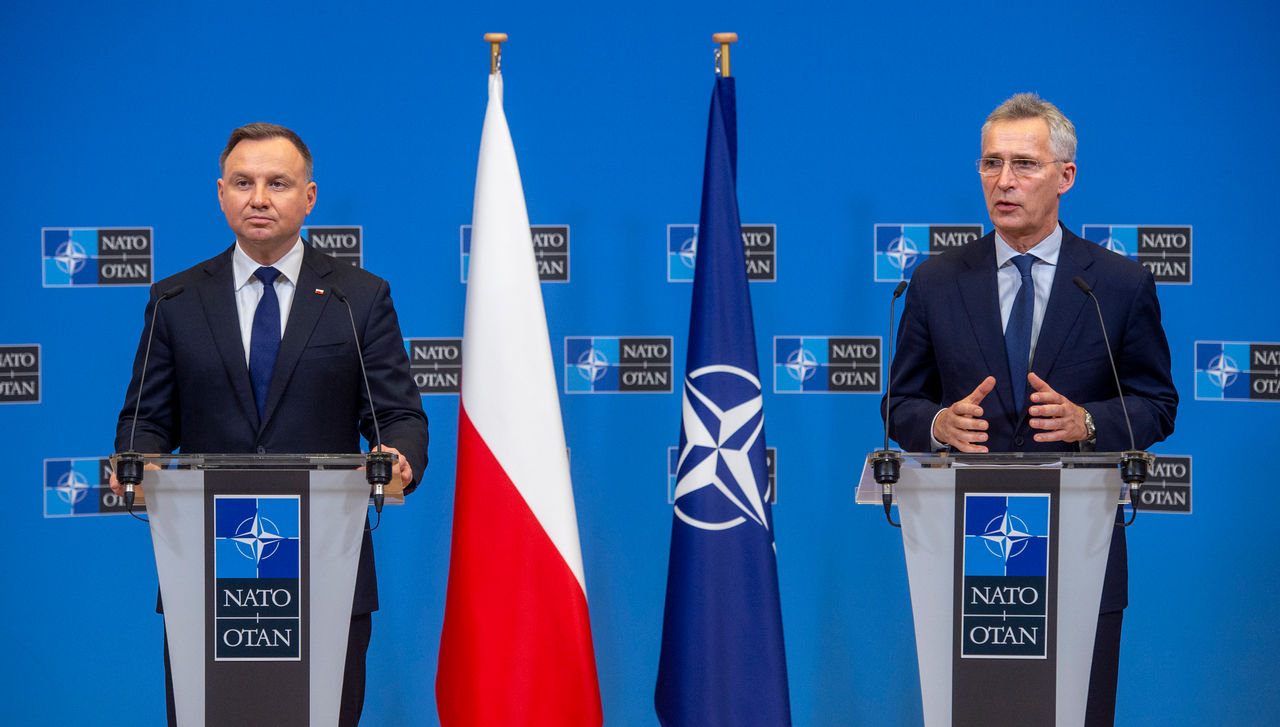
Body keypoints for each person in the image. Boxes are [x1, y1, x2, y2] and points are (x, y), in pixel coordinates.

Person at [112, 122, 429, 726]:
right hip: (210, 569)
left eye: (277, 183)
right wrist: (139, 459)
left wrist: (398, 454)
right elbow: (144, 421)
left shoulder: (357, 298)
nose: (258, 198)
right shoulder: (175, 300)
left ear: (309, 198)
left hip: (325, 565)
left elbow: (397, 415)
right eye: (243, 182)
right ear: (221, 194)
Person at [884, 93, 1177, 725]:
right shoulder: (935, 282)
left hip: (1080, 554)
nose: (1004, 181)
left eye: (1024, 164)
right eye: (991, 163)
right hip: (967, 555)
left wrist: (1089, 423)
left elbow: (1157, 402)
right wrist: (937, 424)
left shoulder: (1117, 285)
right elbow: (899, 404)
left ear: (1065, 176)